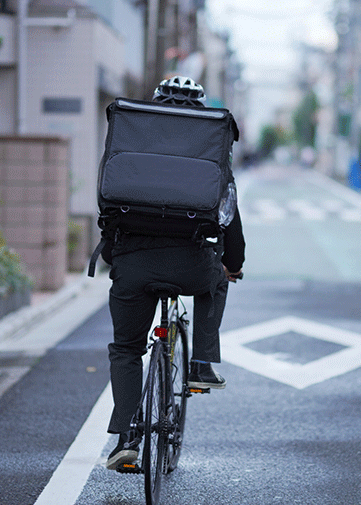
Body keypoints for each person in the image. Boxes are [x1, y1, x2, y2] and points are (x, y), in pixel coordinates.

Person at [103, 76, 245, 471]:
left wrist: (115, 255)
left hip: (133, 262)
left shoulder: (132, 137)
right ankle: (200, 362)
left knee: (128, 349)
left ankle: (126, 437)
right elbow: (230, 221)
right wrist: (232, 266)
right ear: (200, 109)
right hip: (192, 264)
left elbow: (107, 204)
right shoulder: (211, 148)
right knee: (216, 277)